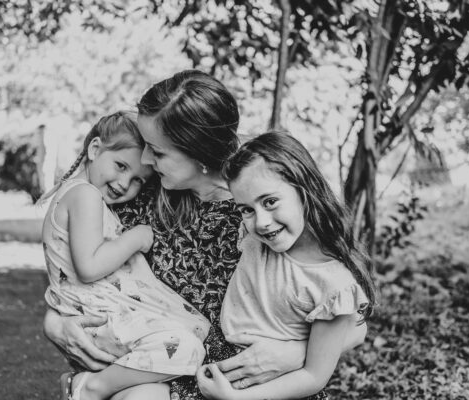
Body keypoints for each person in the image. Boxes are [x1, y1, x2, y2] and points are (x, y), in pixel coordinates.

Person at [43, 70, 368, 400]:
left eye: (157, 151)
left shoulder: (260, 211)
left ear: (198, 154)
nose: (144, 159)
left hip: (238, 384)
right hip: (160, 372)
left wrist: (297, 352)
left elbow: (348, 314)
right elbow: (80, 266)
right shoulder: (141, 193)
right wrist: (54, 322)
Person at [39, 110, 212, 400]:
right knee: (188, 346)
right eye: (120, 166)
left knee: (191, 335)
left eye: (137, 181)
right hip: (98, 317)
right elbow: (89, 266)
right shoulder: (85, 195)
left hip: (98, 314)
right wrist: (136, 237)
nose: (124, 183)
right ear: (94, 149)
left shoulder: (85, 194)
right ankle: (88, 388)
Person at [195, 131, 377, 400]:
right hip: (218, 363)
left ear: (305, 191)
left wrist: (237, 399)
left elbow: (314, 375)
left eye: (270, 202)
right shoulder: (253, 238)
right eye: (246, 209)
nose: (262, 221)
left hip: (274, 388)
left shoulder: (333, 284)